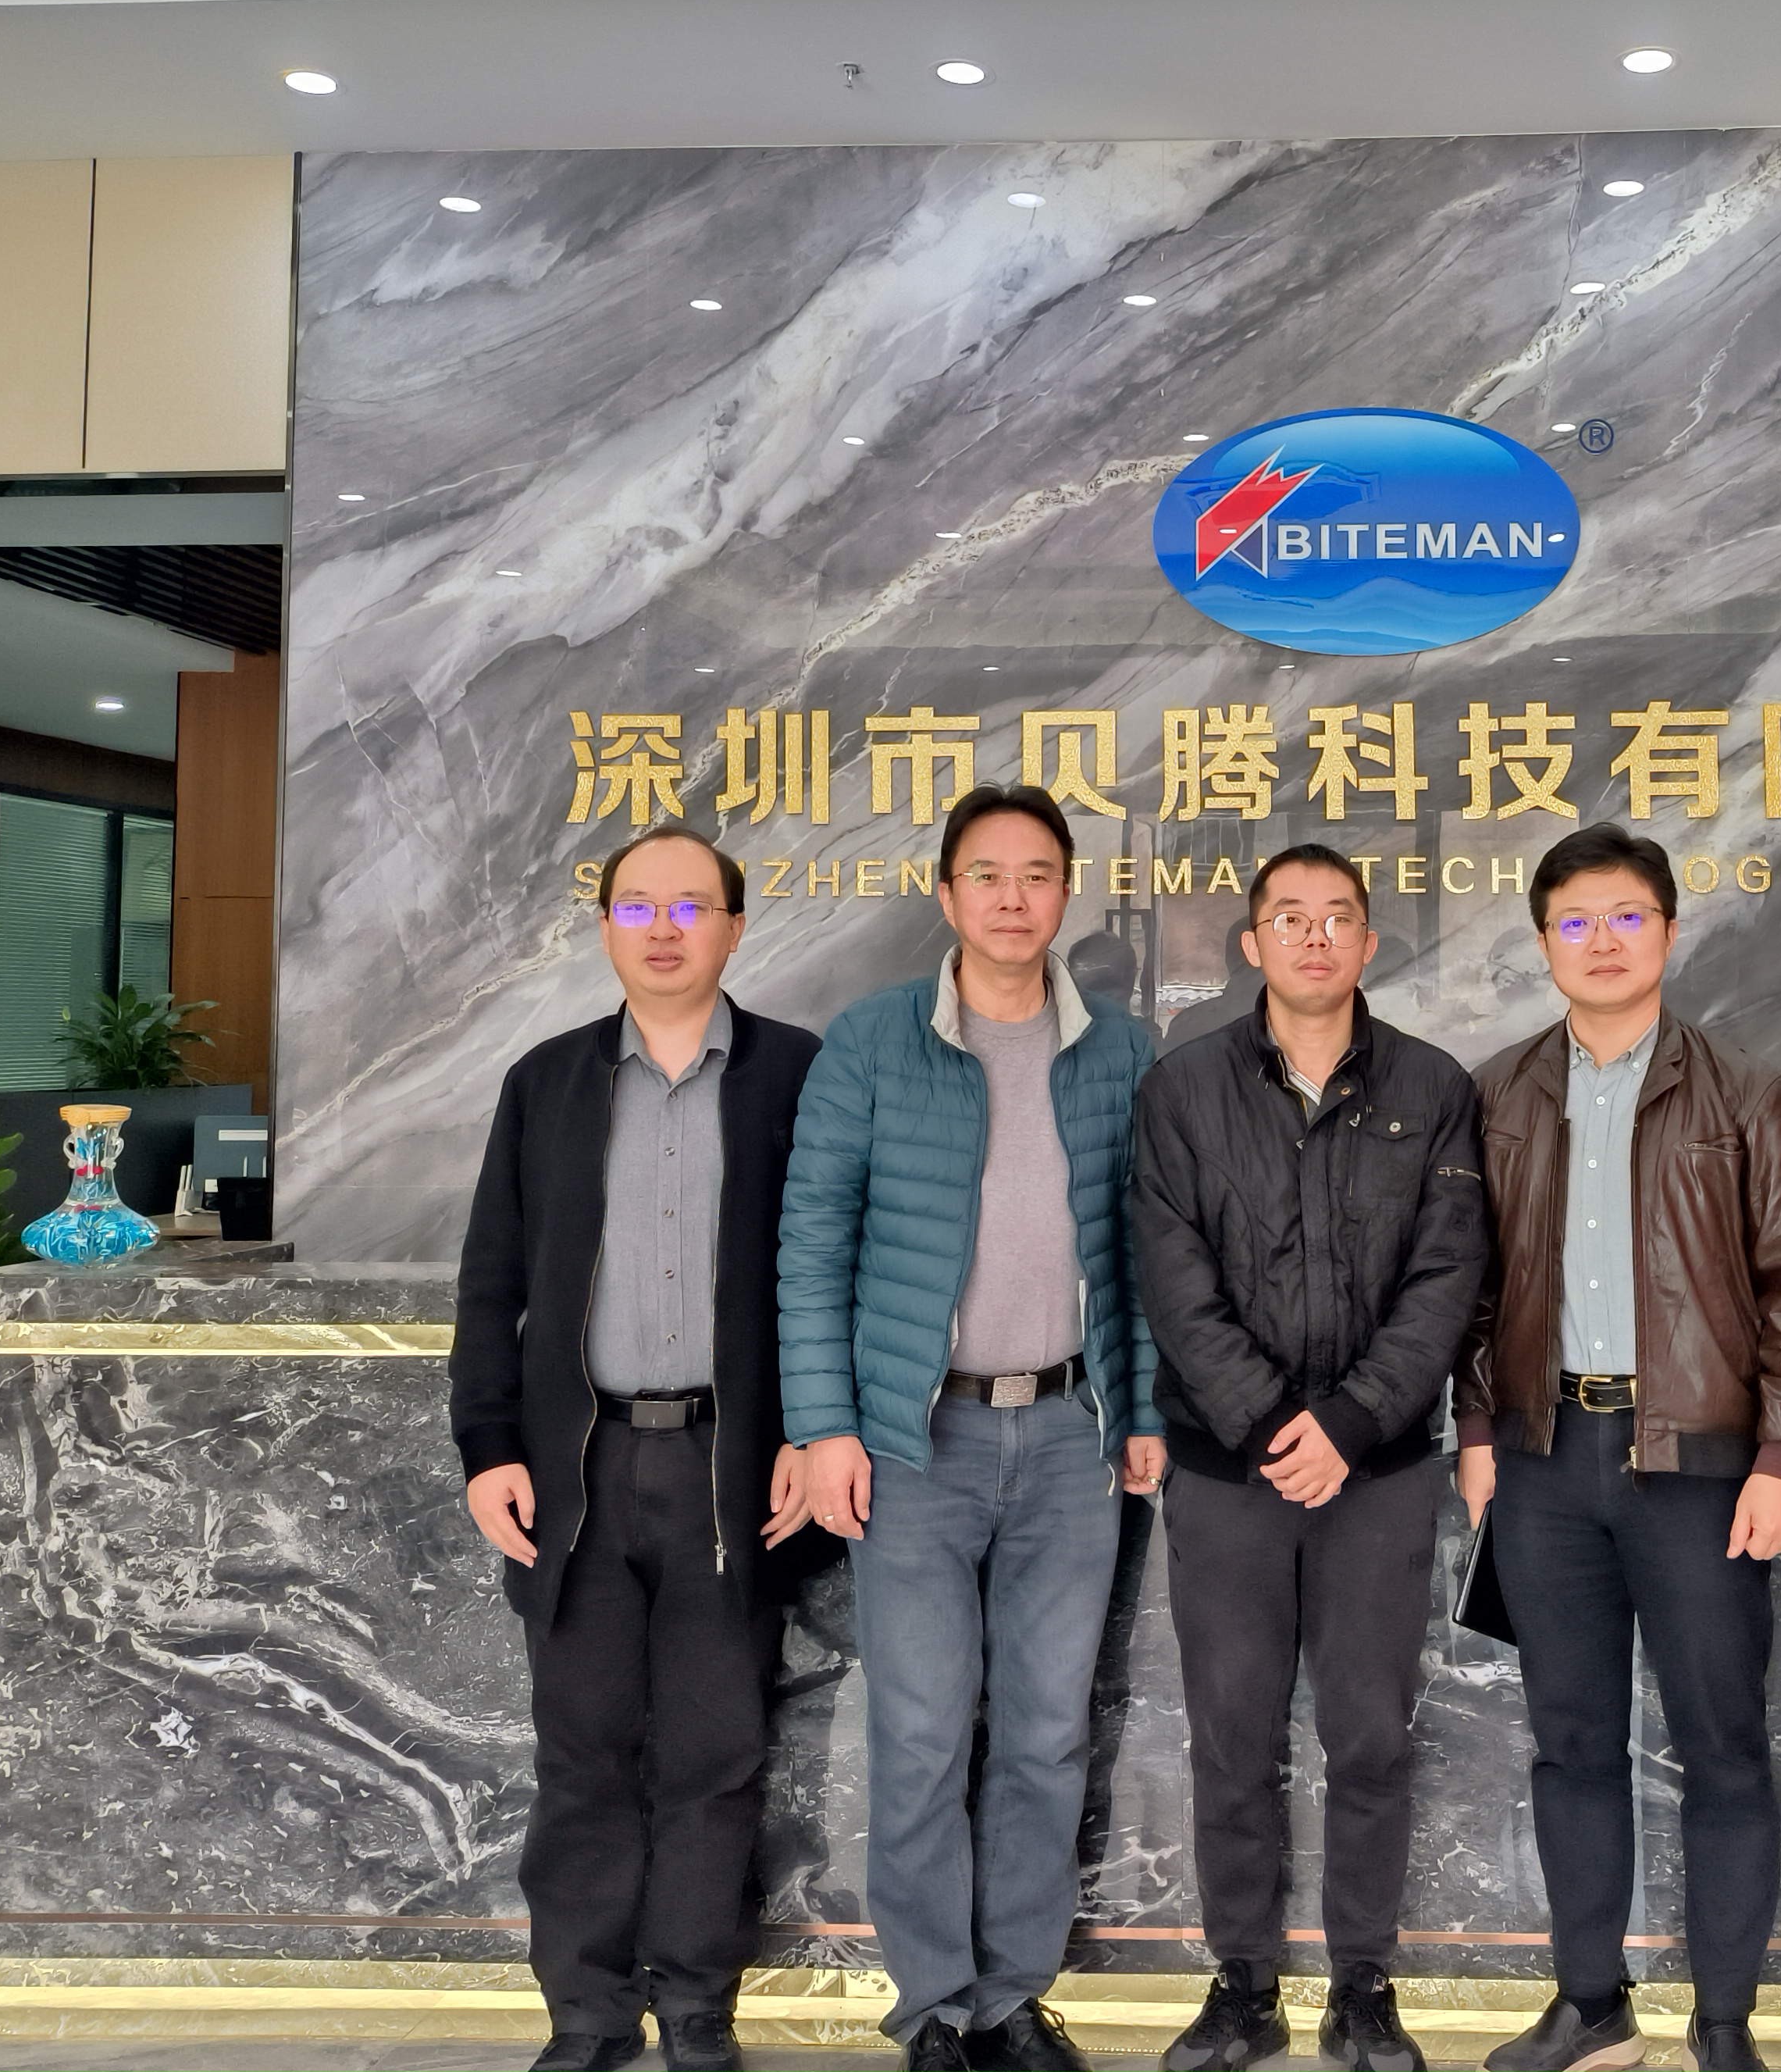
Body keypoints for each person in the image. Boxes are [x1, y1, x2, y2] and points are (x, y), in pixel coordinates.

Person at [775, 786, 1165, 2072]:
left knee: (1048, 1734)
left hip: (1069, 1438)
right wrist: (824, 1425)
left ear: (1066, 894)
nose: (1012, 898)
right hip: (912, 1442)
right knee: (924, 1734)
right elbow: (813, 1244)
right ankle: (935, 2005)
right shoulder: (873, 1042)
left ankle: (1011, 1998)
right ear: (946, 896)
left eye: (1037, 875)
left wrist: (1142, 1410)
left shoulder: (1120, 1050)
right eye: (986, 875)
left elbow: (1147, 1251)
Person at [1458, 826, 1781, 2072]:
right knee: (1570, 1743)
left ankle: (1723, 2024)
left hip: (1701, 1467)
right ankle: (1592, 2006)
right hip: (1545, 1459)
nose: (1603, 941)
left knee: (1723, 1745)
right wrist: (1478, 1428)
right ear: (1544, 943)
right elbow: (1468, 1286)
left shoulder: (1748, 1096)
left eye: (1627, 917)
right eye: (1576, 922)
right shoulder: (1501, 1094)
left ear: (1671, 932)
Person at [453, 829, 826, 2072]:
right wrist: (489, 1445)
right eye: (636, 907)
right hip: (580, 1474)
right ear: (605, 925)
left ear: (735, 926)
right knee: (584, 1755)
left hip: (733, 1470)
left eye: (690, 906)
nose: (663, 928)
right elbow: (491, 1284)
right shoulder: (546, 1082)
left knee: (718, 1755)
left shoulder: (797, 1075)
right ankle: (590, 2015)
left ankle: (698, 2007)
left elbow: (835, 1270)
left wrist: (811, 1431)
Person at [1129, 843, 1488, 2072]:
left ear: (1370, 942)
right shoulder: (1183, 1089)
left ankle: (1362, 1985)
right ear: (1253, 944)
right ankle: (1242, 1984)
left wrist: (1351, 1424)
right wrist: (1271, 1426)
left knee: (1370, 1735)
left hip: (1378, 1471)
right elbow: (1173, 1278)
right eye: (1290, 917)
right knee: (1233, 1736)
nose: (1315, 936)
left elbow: (1447, 1277)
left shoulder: (1432, 1087)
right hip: (1228, 1471)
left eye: (1338, 917)